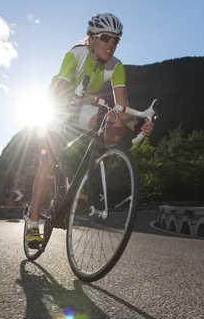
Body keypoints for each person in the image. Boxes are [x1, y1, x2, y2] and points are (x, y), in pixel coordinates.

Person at [25, 13, 155, 248]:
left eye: (116, 40)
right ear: (91, 38)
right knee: (48, 161)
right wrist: (62, 105)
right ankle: (33, 225)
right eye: (105, 38)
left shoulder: (117, 67)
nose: (111, 45)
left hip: (84, 106)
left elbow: (121, 107)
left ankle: (88, 177)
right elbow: (61, 88)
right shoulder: (76, 54)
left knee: (113, 120)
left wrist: (137, 125)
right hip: (58, 102)